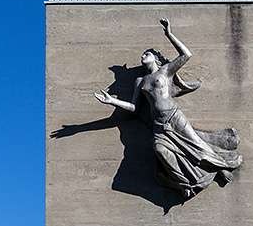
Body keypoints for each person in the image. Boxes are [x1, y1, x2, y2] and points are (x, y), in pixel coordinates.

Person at [95, 18, 243, 198]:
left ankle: (222, 168)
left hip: (173, 116)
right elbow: (135, 107)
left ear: (155, 59)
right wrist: (112, 101)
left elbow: (186, 55)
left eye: (146, 54)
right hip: (159, 125)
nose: (143, 56)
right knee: (160, 151)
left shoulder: (165, 71)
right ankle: (184, 182)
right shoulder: (140, 81)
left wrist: (169, 34)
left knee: (196, 144)